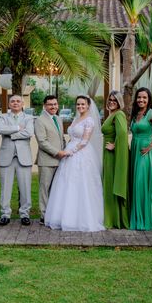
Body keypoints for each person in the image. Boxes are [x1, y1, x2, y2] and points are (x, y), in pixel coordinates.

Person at [45, 95, 104, 232]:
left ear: (88, 105)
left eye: (83, 104)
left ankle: (82, 218)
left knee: (81, 184)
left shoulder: (89, 120)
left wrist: (71, 151)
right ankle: (64, 216)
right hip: (69, 152)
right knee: (65, 184)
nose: (80, 107)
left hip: (80, 154)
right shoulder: (76, 118)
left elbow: (84, 141)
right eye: (78, 104)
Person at [129, 87, 152, 231]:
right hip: (135, 151)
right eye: (139, 97)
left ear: (149, 99)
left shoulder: (151, 113)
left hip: (145, 151)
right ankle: (137, 217)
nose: (141, 100)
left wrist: (151, 145)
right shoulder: (135, 114)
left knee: (142, 183)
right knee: (136, 184)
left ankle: (146, 218)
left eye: (144, 97)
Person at [0, 95, 34, 226]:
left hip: (23, 157)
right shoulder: (3, 117)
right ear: (9, 104)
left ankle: (25, 214)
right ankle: (5, 214)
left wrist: (11, 134)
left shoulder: (29, 118)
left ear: (22, 103)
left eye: (18, 101)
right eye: (12, 101)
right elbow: (0, 129)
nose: (15, 103)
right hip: (6, 157)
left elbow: (29, 132)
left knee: (25, 187)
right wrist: (18, 128)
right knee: (5, 187)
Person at [34, 95, 66, 225]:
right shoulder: (40, 120)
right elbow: (42, 142)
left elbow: (61, 138)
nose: (53, 107)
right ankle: (44, 215)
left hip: (60, 160)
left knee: (56, 189)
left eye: (55, 104)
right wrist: (57, 152)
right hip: (47, 160)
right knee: (45, 189)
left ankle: (54, 213)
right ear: (45, 106)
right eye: (50, 104)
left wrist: (66, 150)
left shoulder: (58, 119)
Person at [101, 91, 129, 229]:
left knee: (111, 183)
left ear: (119, 102)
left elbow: (123, 133)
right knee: (107, 183)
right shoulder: (111, 115)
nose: (112, 102)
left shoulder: (119, 115)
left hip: (113, 155)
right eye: (110, 99)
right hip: (107, 154)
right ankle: (110, 215)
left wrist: (114, 145)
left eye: (115, 100)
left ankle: (114, 218)